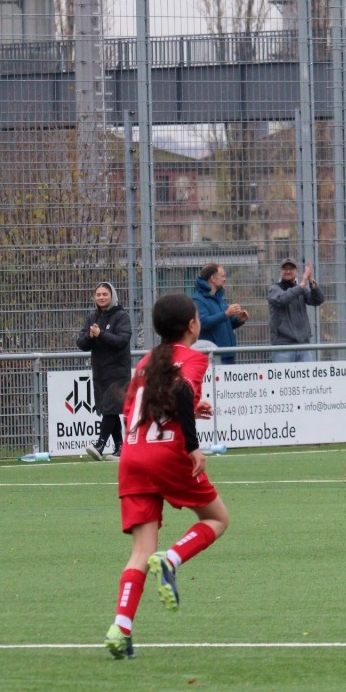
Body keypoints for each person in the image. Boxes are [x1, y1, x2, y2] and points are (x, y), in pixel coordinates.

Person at [104, 294, 229, 660]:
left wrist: (186, 408)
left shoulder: (146, 362)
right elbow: (182, 389)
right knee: (217, 519)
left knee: (140, 551)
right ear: (192, 325)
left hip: (132, 457)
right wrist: (192, 445)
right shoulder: (194, 357)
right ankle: (172, 559)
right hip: (167, 454)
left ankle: (120, 628)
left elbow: (136, 410)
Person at [76, 281, 133, 460]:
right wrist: (90, 336)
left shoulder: (121, 317)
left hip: (118, 373)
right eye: (98, 294)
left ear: (112, 296)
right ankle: (120, 448)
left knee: (109, 407)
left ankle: (100, 445)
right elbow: (81, 344)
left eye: (105, 294)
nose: (101, 297)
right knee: (110, 410)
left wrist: (102, 334)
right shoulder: (91, 318)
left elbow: (122, 341)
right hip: (99, 373)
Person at [267, 257, 325, 363]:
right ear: (280, 272)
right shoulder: (274, 289)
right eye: (285, 268)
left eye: (291, 268)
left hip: (303, 346)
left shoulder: (301, 289)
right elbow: (283, 299)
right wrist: (302, 284)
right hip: (282, 347)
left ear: (297, 272)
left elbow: (318, 300)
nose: (288, 271)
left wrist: (311, 280)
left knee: (307, 374)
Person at [192, 263, 248, 350]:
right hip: (214, 354)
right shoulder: (198, 300)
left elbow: (226, 324)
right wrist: (226, 314)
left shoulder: (219, 299)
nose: (225, 279)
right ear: (213, 278)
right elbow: (202, 322)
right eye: (222, 276)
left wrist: (239, 320)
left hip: (227, 352)